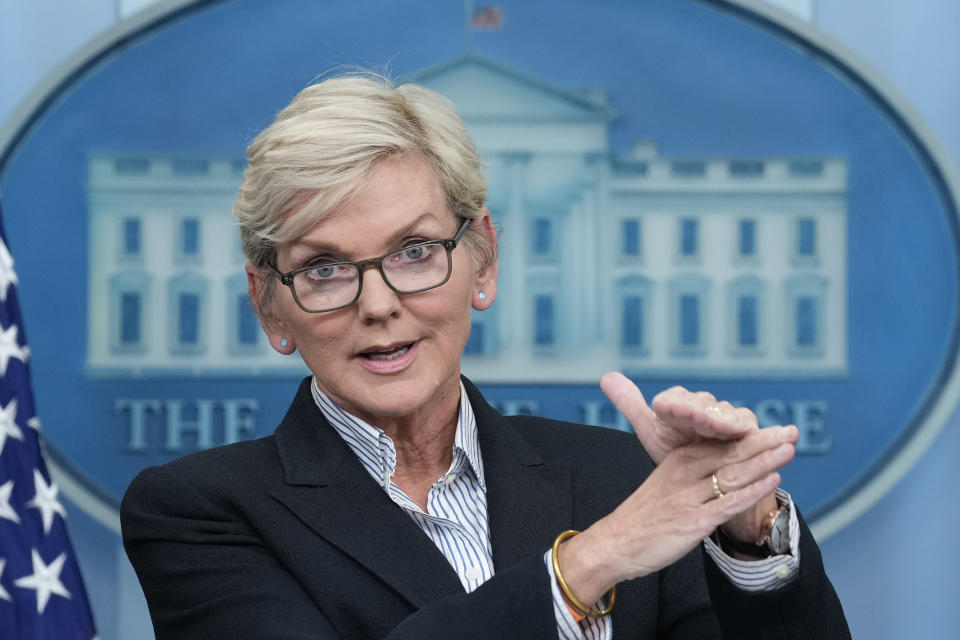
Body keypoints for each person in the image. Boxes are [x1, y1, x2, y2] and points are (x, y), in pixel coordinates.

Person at [121, 74, 850, 639]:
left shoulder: (627, 482)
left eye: (413, 251)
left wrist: (745, 535)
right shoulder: (197, 510)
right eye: (324, 268)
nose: (377, 304)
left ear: (484, 260)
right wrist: (584, 566)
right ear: (269, 306)